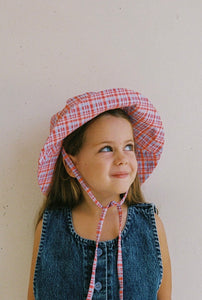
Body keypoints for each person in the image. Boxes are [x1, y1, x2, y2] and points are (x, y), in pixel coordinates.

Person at [28, 88, 172, 300]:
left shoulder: (151, 226)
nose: (122, 158)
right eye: (106, 149)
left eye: (129, 146)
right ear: (71, 164)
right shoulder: (50, 228)